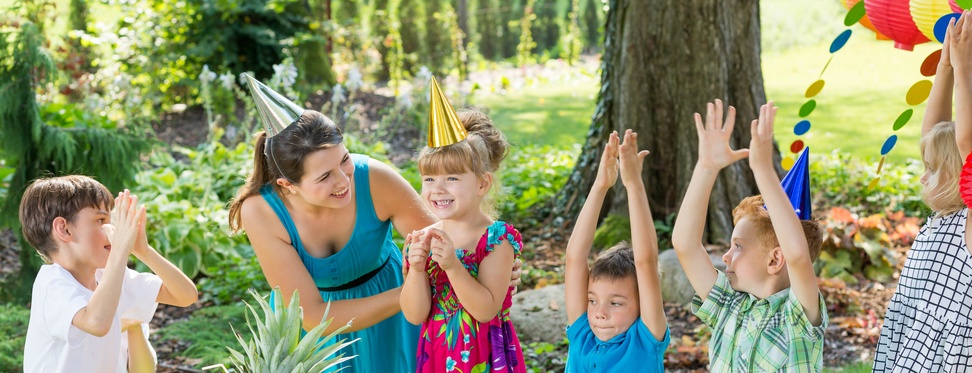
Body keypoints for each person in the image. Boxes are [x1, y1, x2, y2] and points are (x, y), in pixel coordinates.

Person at [228, 75, 520, 372]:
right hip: (317, 339)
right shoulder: (260, 211)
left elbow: (454, 242)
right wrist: (408, 295)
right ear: (287, 184)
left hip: (395, 328)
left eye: (344, 160)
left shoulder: (375, 179)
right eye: (324, 176)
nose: (344, 181)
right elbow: (314, 315)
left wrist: (491, 268)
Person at [873, 9, 972, 372]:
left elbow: (970, 145)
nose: (922, 177)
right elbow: (935, 131)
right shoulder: (946, 214)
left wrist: (964, 71)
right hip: (912, 342)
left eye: (932, 170)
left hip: (947, 358)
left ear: (966, 176)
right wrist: (945, 65)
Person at [672, 100, 827, 371]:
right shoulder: (729, 306)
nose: (726, 255)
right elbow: (685, 245)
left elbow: (798, 256)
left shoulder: (797, 315)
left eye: (739, 247)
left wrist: (763, 170)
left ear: (775, 259)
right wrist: (706, 167)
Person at [20, 178, 198, 372]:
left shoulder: (109, 276)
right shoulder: (52, 284)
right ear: (64, 229)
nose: (113, 230)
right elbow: (96, 322)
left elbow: (186, 296)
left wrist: (144, 251)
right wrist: (120, 251)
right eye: (101, 220)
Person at [400, 96, 526, 371]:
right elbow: (414, 314)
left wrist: (453, 266)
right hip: (436, 355)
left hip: (484, 357)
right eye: (429, 179)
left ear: (482, 184)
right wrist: (417, 269)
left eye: (452, 178)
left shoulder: (495, 240)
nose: (438, 189)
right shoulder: (422, 240)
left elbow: (485, 310)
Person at [562, 129, 670, 372]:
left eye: (616, 303)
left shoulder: (644, 342)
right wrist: (600, 186)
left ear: (643, 304)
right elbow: (575, 259)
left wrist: (633, 186)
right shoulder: (583, 335)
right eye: (592, 300)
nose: (600, 313)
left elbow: (646, 262)